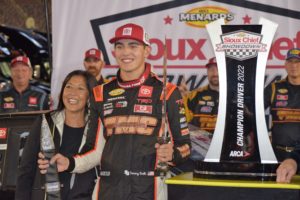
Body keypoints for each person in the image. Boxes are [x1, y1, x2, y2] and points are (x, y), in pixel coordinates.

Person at [38, 23, 191, 200]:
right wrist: (70, 162)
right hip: (108, 191)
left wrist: (173, 154)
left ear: (146, 51)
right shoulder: (100, 93)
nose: (126, 52)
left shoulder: (168, 92)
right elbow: (94, 149)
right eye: (120, 46)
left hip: (150, 190)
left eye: (133, 46)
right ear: (114, 52)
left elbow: (185, 145)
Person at [15, 70, 97, 200]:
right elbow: (26, 170)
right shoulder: (45, 121)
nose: (72, 93)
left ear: (89, 95)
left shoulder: (97, 127)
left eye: (80, 88)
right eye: (68, 86)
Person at [264, 48, 300, 161]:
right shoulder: (274, 88)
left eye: (297, 62)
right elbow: (253, 112)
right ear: (285, 65)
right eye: (290, 62)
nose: (294, 66)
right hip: (278, 153)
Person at [182, 57, 219, 133]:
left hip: (226, 143)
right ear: (207, 72)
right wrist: (181, 98)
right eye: (211, 69)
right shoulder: (194, 95)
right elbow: (183, 120)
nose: (215, 73)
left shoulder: (234, 96)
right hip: (201, 143)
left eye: (218, 69)